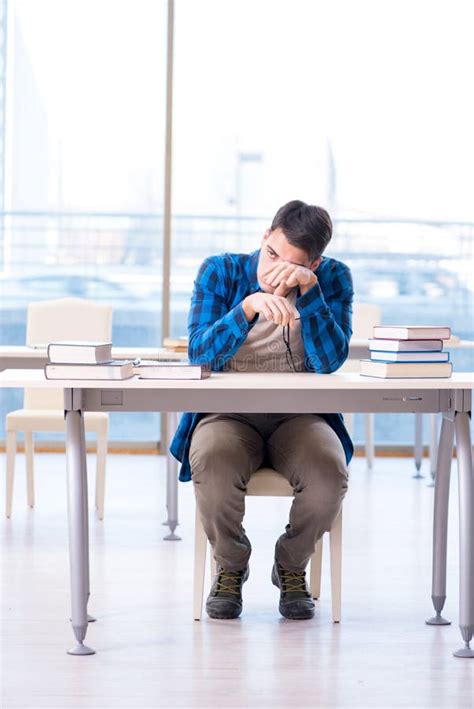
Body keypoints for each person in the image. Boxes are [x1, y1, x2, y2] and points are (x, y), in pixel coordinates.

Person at [170, 200, 354, 621]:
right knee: (212, 462)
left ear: (316, 263)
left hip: (302, 417)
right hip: (228, 414)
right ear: (264, 237)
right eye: (272, 255)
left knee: (329, 473)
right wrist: (248, 306)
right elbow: (199, 353)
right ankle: (230, 567)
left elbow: (330, 361)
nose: (276, 271)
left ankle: (290, 565)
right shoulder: (220, 271)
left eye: (293, 266)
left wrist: (309, 293)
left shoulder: (333, 278)